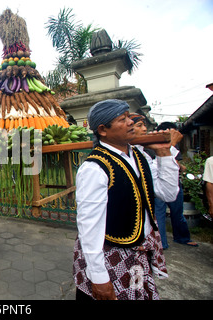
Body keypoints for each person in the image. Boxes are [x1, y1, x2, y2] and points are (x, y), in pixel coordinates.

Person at [73, 99, 181, 300]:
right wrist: (99, 277)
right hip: (109, 256)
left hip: (138, 255)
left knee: (136, 294)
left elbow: (168, 194)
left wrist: (164, 153)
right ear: (103, 130)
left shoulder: (140, 158)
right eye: (123, 119)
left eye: (129, 117)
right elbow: (89, 227)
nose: (131, 123)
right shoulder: (94, 168)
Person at [153, 122, 197, 248]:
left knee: (177, 212)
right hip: (158, 183)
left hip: (174, 183)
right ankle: (162, 244)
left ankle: (181, 238)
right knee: (160, 214)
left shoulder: (174, 146)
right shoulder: (152, 145)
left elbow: (177, 162)